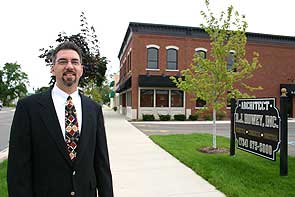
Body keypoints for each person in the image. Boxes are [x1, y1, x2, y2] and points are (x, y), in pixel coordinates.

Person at [7, 41, 114, 197]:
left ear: (81, 70)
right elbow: (18, 169)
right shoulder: (28, 108)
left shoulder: (94, 109)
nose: (69, 66)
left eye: (75, 62)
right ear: (53, 69)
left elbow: (102, 164)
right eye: (63, 61)